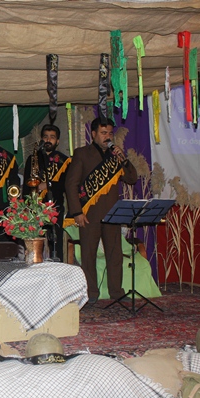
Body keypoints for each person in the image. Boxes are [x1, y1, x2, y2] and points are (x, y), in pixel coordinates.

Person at [65, 117, 137, 304]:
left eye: (110, 133)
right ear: (94, 134)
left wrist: (124, 159)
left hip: (112, 214)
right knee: (88, 255)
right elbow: (71, 184)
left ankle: (116, 292)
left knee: (115, 254)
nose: (108, 137)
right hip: (89, 214)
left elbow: (132, 179)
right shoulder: (82, 153)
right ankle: (91, 293)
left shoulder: (115, 155)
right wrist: (77, 212)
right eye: (103, 133)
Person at [22, 124, 70, 260]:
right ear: (41, 139)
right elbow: (26, 185)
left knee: (56, 243)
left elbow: (66, 185)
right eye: (46, 137)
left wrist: (48, 185)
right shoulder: (32, 159)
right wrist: (25, 206)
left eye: (52, 137)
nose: (48, 140)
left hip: (55, 206)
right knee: (35, 244)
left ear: (57, 141)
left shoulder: (64, 161)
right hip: (35, 208)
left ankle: (57, 267)